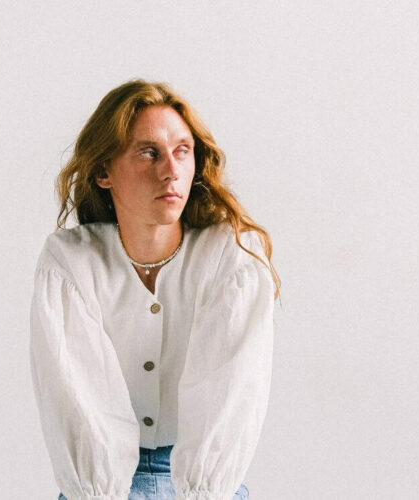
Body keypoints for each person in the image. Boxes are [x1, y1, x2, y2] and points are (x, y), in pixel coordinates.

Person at [30, 79, 280, 500]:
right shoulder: (71, 262)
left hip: (203, 484)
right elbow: (78, 402)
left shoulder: (231, 256)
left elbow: (228, 396)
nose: (171, 169)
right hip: (98, 487)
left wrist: (201, 490)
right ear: (103, 172)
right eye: (149, 153)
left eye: (183, 150)